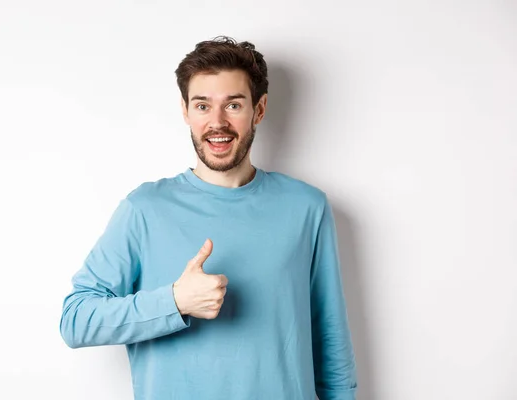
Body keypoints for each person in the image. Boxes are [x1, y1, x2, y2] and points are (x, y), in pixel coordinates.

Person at [59, 35, 357, 400]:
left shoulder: (306, 207)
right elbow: (76, 320)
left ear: (259, 110)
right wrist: (174, 302)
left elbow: (330, 341)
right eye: (202, 106)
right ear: (185, 111)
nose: (217, 122)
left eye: (233, 104)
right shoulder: (145, 209)